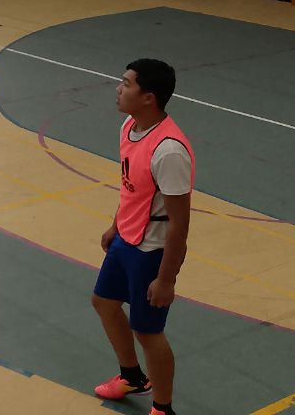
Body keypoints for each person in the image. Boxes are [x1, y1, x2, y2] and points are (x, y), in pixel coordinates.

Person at [92, 58, 193, 415]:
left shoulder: (169, 151)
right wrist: (116, 225)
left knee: (148, 332)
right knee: (104, 303)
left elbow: (179, 223)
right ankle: (132, 377)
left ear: (148, 97)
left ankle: (163, 409)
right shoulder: (129, 126)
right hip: (127, 238)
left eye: (126, 83)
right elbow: (131, 187)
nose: (118, 88)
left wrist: (166, 280)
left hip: (152, 250)